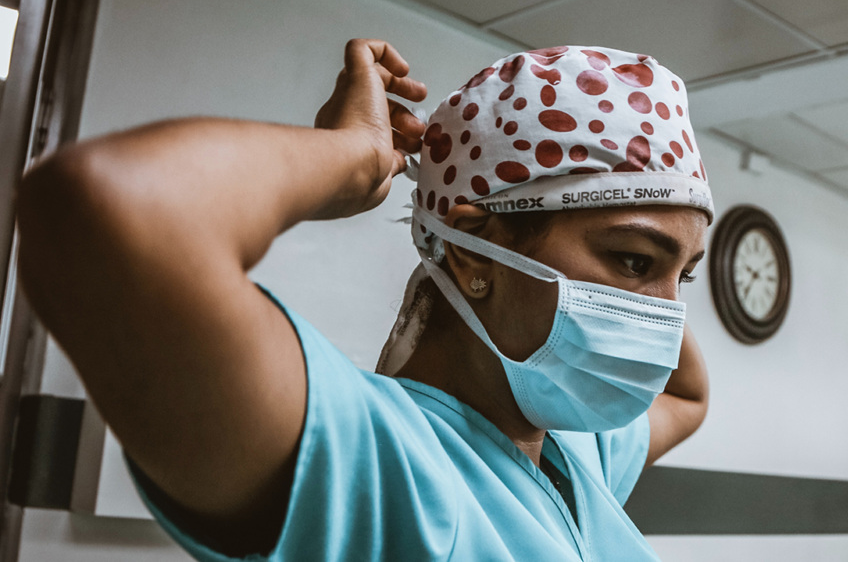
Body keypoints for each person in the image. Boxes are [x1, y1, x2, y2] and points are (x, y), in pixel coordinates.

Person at [16, 39, 711, 561]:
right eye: (634, 259)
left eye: (683, 277)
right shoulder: (376, 465)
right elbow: (108, 210)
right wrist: (355, 155)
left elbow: (686, 395)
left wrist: (659, 234)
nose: (665, 311)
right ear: (472, 254)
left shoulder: (572, 455)